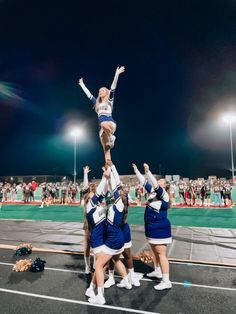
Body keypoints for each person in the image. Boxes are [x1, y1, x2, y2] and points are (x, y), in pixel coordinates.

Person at [86, 165, 131, 305]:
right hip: (101, 240)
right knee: (102, 266)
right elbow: (102, 191)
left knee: (99, 266)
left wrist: (108, 175)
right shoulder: (91, 208)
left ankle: (99, 295)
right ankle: (91, 289)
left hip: (110, 240)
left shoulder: (110, 206)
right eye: (91, 196)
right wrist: (107, 176)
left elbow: (108, 190)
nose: (94, 195)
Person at [132, 163, 172, 290]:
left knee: (161, 254)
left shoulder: (164, 195)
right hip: (151, 228)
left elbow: (154, 184)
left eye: (161, 182)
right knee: (154, 251)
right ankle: (157, 270)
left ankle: (166, 281)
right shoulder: (153, 193)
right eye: (158, 181)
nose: (158, 183)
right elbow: (144, 182)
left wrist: (148, 172)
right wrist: (137, 170)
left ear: (165, 186)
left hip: (160, 229)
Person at [78, 66, 125, 161]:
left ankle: (112, 137)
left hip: (109, 122)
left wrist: (117, 74)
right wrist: (82, 84)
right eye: (99, 91)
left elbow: (113, 88)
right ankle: (109, 170)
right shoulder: (97, 103)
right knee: (106, 151)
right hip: (102, 128)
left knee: (103, 124)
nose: (100, 92)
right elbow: (89, 94)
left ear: (107, 93)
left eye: (102, 90)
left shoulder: (110, 100)